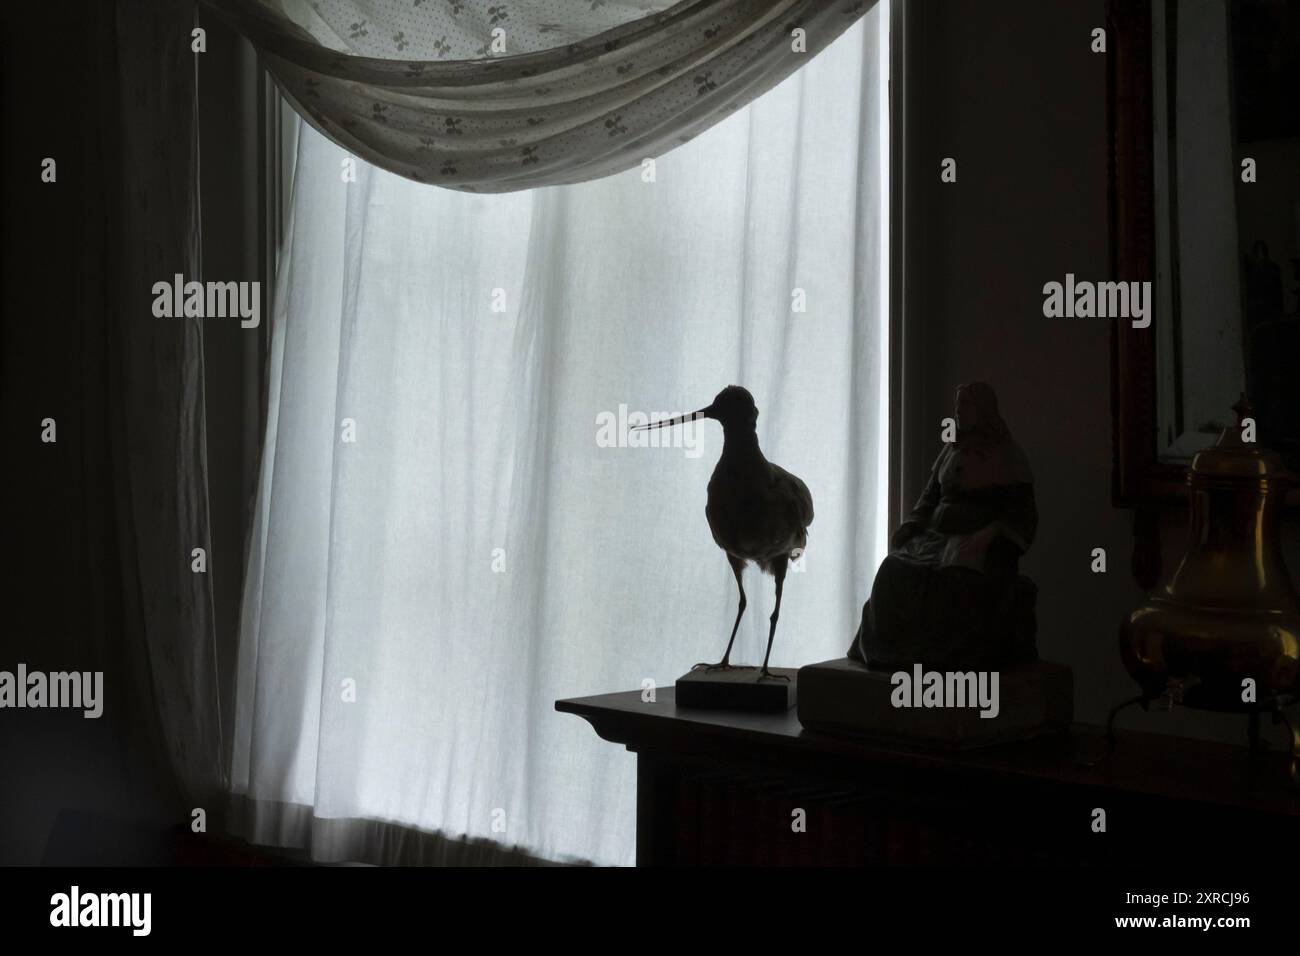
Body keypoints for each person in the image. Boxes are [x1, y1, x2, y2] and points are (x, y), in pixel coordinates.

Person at [848, 382, 1039, 670]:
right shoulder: (950, 449)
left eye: (965, 405)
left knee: (956, 581)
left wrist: (991, 534)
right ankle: (893, 653)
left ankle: (944, 659)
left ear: (983, 409)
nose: (958, 411)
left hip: (974, 540)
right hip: (933, 538)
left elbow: (1022, 513)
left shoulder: (1008, 454)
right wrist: (910, 526)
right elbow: (929, 498)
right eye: (957, 404)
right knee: (893, 570)